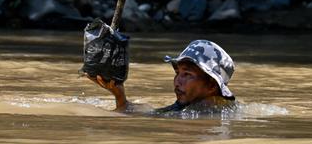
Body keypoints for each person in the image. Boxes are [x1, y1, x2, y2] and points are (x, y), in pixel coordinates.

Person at [88, 39, 236, 113]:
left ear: (211, 85)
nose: (178, 81)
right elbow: (151, 114)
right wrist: (119, 94)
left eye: (187, 74)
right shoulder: (186, 106)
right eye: (178, 73)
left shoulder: (208, 110)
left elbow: (150, 118)